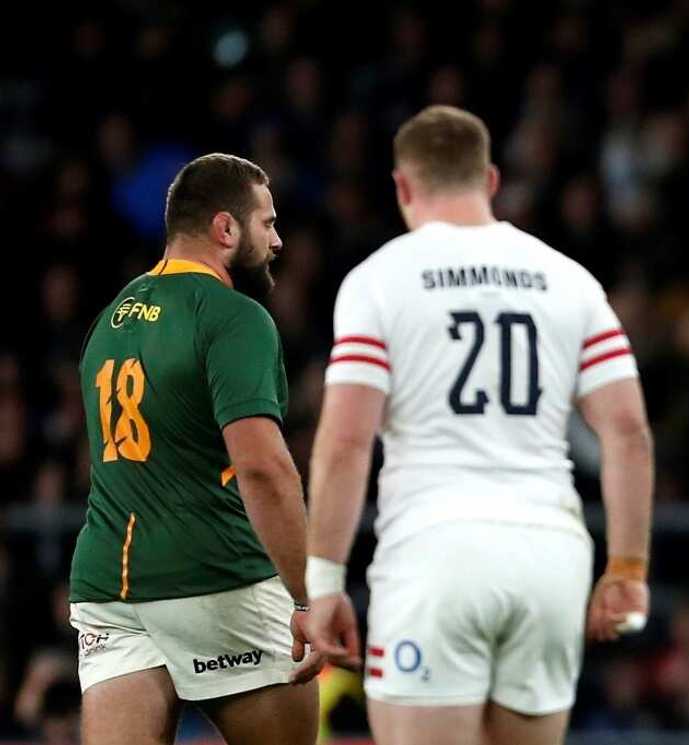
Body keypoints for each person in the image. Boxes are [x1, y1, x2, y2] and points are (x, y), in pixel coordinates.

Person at [303, 105, 655, 745]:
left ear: (403, 187)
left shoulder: (379, 279)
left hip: (436, 553)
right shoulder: (568, 279)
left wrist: (323, 580)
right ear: (490, 181)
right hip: (550, 554)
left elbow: (348, 442)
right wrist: (627, 569)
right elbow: (628, 432)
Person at [68, 153, 323, 745]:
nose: (278, 240)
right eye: (268, 223)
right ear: (225, 229)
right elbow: (263, 469)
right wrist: (311, 597)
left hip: (109, 588)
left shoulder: (110, 319)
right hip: (214, 576)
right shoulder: (234, 317)